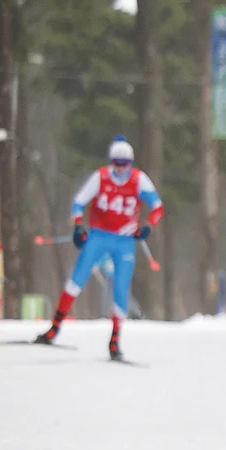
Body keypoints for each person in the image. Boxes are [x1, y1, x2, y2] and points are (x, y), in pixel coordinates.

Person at [36, 135, 164, 360]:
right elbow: (78, 202)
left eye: (125, 164)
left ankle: (115, 341)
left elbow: (157, 207)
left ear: (131, 163)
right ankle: (54, 328)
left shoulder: (138, 180)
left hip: (124, 242)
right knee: (77, 279)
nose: (120, 169)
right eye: (116, 163)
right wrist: (78, 226)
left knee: (120, 289)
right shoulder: (101, 177)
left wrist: (148, 227)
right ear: (111, 161)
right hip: (99, 236)